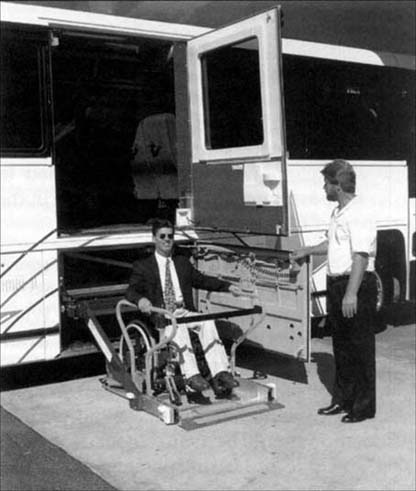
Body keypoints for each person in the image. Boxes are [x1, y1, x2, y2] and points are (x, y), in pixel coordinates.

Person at [291, 159, 378, 423]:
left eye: (325, 184)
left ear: (337, 185)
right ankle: (342, 400)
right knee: (341, 346)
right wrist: (307, 250)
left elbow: (361, 256)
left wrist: (351, 294)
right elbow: (333, 243)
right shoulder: (339, 211)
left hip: (356, 285)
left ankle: (363, 408)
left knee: (359, 347)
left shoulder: (359, 211)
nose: (323, 189)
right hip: (337, 284)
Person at [125, 218, 243, 396]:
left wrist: (227, 286)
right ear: (154, 239)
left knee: (207, 321)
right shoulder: (143, 266)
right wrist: (141, 300)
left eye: (170, 236)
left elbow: (201, 280)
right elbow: (131, 291)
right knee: (176, 326)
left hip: (184, 310)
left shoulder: (181, 262)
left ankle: (220, 373)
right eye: (162, 236)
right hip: (164, 315)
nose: (166, 240)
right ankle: (192, 375)